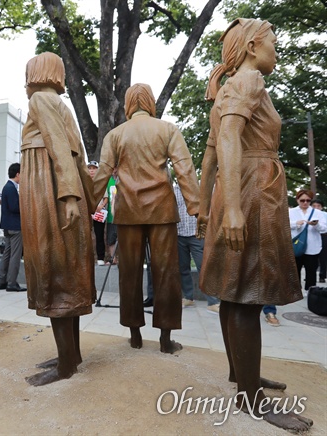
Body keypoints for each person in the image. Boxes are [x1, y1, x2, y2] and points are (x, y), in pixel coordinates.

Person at [197, 19, 312, 431]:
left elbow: (210, 155)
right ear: (251, 47)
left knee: (234, 291)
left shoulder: (226, 89)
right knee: (248, 293)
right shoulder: (249, 81)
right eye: (274, 45)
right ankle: (251, 400)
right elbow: (227, 135)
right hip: (251, 191)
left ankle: (241, 375)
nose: (277, 52)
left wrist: (204, 204)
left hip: (238, 187)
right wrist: (230, 209)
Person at [93, 83, 199, 355]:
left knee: (129, 273)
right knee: (167, 273)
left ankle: (135, 335)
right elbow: (184, 169)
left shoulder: (115, 134)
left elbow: (103, 172)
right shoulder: (167, 129)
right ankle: (165, 338)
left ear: (129, 104)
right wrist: (197, 207)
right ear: (150, 102)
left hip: (128, 210)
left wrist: (88, 204)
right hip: (162, 210)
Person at [21, 52, 96, 386]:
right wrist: (85, 199)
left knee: (53, 269)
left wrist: (67, 196)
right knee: (68, 272)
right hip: (64, 188)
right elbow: (78, 159)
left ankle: (66, 364)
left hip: (48, 188)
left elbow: (59, 148)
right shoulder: (61, 105)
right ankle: (72, 355)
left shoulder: (41, 99)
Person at [174, 183, 220, 314]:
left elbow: (212, 208)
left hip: (197, 235)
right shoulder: (173, 190)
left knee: (204, 268)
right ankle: (188, 298)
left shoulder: (200, 188)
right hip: (179, 235)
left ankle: (213, 301)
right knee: (183, 268)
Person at [289, 189, 326, 291]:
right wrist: (296, 224)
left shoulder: (317, 213)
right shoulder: (290, 212)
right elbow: (283, 226)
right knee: (295, 270)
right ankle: (295, 291)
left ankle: (311, 291)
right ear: (297, 200)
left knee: (311, 271)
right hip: (296, 246)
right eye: (302, 200)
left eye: (308, 200)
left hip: (312, 246)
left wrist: (316, 225)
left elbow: (324, 228)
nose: (305, 202)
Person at [0, 163, 26, 292]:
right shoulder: (11, 187)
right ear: (18, 174)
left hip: (8, 226)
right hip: (15, 226)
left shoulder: (7, 187)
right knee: (15, 255)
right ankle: (12, 283)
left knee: (7, 254)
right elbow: (14, 207)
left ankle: (2, 281)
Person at [87, 161, 107, 266]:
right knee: (86, 235)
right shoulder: (84, 182)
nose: (91, 170)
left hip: (98, 212)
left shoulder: (100, 182)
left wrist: (100, 206)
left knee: (99, 235)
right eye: (90, 168)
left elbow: (106, 197)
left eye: (94, 168)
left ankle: (100, 257)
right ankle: (87, 258)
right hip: (87, 212)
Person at [311, 199, 327, 283]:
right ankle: (310, 275)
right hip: (311, 236)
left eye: (318, 206)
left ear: (322, 207)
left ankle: (322, 276)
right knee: (311, 257)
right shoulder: (308, 214)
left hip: (323, 236)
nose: (316, 208)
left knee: (323, 257)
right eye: (314, 206)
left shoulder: (325, 215)